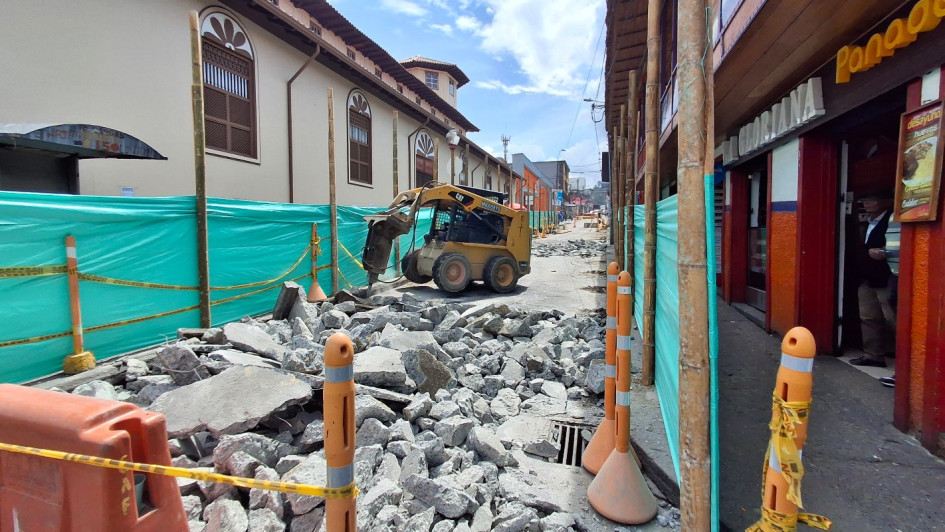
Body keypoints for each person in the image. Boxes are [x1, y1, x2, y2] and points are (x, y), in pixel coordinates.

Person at [850, 191, 896, 368]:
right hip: (866, 278)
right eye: (864, 200)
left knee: (892, 319)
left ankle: (898, 355)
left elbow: (899, 243)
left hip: (886, 278)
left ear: (886, 201)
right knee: (869, 317)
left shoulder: (893, 220)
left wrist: (883, 251)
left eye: (872, 200)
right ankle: (873, 356)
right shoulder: (866, 222)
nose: (866, 204)